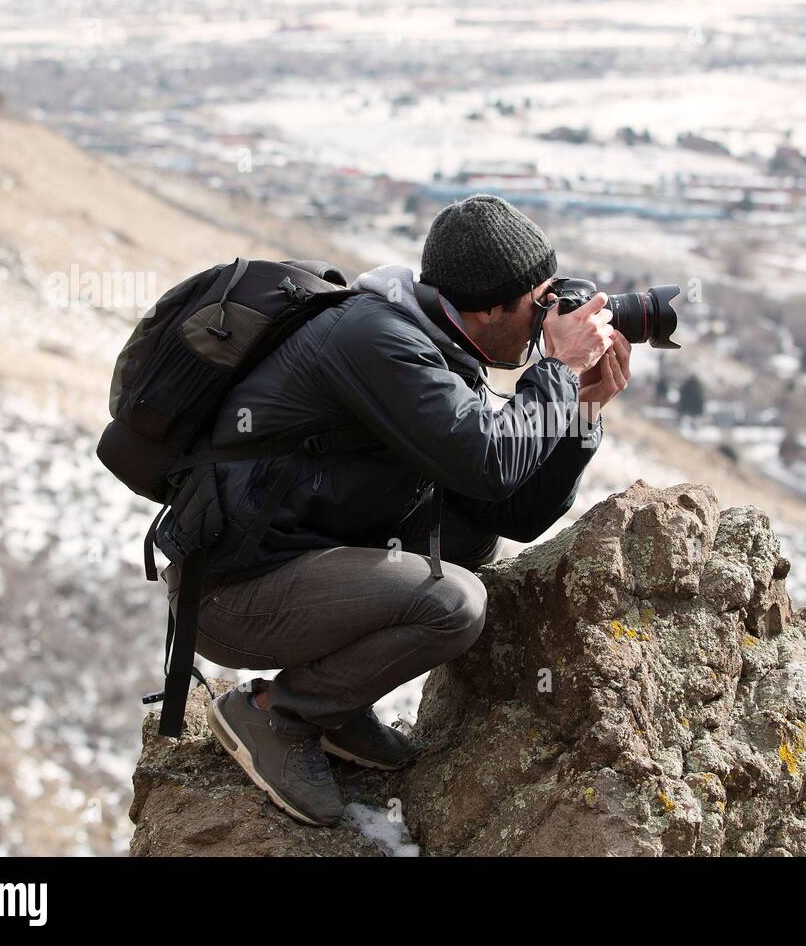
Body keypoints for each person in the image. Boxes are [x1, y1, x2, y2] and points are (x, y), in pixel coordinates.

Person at [160, 194, 631, 826]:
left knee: (472, 543)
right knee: (454, 602)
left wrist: (582, 410)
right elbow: (488, 462)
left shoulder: (442, 344)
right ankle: (277, 714)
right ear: (489, 308)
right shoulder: (375, 339)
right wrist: (559, 368)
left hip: (295, 565)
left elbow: (511, 509)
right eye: (538, 304)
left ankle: (336, 706)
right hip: (231, 593)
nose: (548, 319)